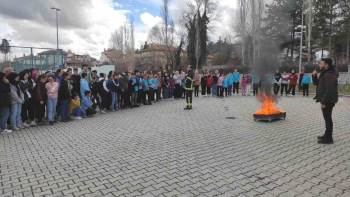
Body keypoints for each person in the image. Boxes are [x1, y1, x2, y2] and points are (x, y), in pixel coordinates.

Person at [315, 58, 338, 144]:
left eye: (321, 64)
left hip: (328, 100)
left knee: (328, 119)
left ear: (326, 65)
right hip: (326, 99)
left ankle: (329, 139)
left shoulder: (329, 74)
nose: (319, 65)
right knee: (327, 119)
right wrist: (314, 77)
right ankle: (327, 135)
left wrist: (324, 101)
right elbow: (318, 84)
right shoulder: (325, 73)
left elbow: (329, 89)